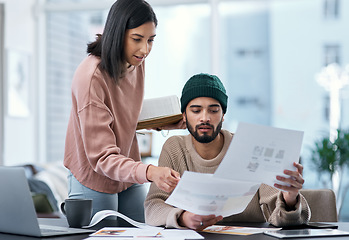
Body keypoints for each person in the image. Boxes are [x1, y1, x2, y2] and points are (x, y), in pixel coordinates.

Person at [63, 0, 183, 223]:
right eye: (137, 39)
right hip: (94, 173)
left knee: (142, 231)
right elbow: (102, 157)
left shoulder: (135, 60)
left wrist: (162, 121)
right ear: (117, 33)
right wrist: (150, 172)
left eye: (151, 40)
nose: (144, 50)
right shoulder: (91, 78)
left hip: (126, 170)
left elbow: (119, 114)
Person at [144, 73, 311, 230]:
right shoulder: (174, 148)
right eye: (196, 110)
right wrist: (182, 218)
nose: (205, 118)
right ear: (184, 116)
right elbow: (153, 207)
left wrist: (290, 198)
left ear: (223, 115)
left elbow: (281, 218)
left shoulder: (249, 146)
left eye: (214, 110)